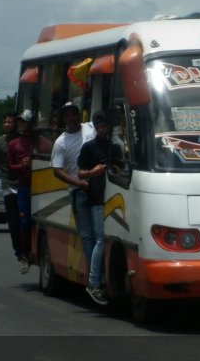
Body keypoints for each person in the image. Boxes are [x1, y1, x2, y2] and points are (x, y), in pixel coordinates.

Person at [77, 110, 122, 305]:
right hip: (96, 198)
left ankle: (101, 280)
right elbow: (79, 173)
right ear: (95, 127)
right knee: (99, 240)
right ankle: (94, 282)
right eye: (100, 127)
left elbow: (122, 169)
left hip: (115, 199)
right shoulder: (88, 147)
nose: (103, 130)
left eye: (106, 126)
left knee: (107, 240)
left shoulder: (116, 148)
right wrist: (93, 172)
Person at [50, 102, 96, 287]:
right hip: (79, 192)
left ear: (80, 115)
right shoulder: (61, 142)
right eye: (67, 116)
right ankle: (94, 278)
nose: (72, 118)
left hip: (99, 189)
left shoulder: (90, 127)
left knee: (100, 234)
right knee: (87, 235)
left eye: (74, 114)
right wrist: (78, 183)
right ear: (63, 119)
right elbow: (57, 171)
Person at [0, 111, 22, 268]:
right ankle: (18, 250)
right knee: (13, 219)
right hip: (8, 184)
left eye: (9, 122)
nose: (6, 125)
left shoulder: (22, 139)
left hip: (23, 182)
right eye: (4, 122)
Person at [7, 109, 35, 274]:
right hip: (23, 186)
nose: (21, 125)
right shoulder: (13, 144)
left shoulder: (39, 142)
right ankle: (24, 255)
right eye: (20, 122)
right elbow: (10, 167)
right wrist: (22, 165)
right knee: (24, 221)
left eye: (24, 122)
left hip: (40, 185)